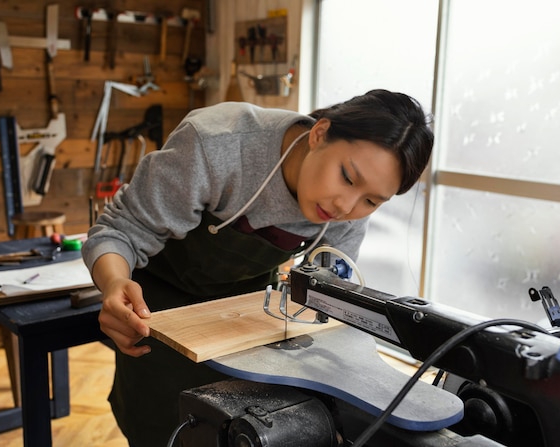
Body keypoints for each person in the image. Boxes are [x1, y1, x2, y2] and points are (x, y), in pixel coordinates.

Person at [82, 89, 434, 446]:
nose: (346, 206)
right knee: (162, 432)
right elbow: (119, 231)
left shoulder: (349, 211)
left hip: (251, 319)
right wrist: (113, 284)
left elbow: (327, 288)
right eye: (346, 176)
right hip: (160, 312)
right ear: (319, 133)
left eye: (372, 201)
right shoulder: (217, 144)